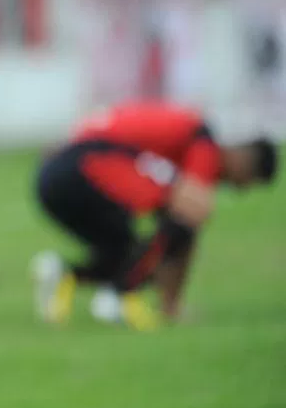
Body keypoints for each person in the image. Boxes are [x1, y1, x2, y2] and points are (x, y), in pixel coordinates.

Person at [33, 102, 278, 331]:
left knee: (131, 249)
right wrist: (172, 305)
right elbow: (190, 214)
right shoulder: (203, 143)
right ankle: (119, 296)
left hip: (61, 170)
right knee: (183, 221)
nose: (240, 189)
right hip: (88, 162)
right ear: (244, 162)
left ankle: (65, 273)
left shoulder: (175, 143)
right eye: (247, 183)